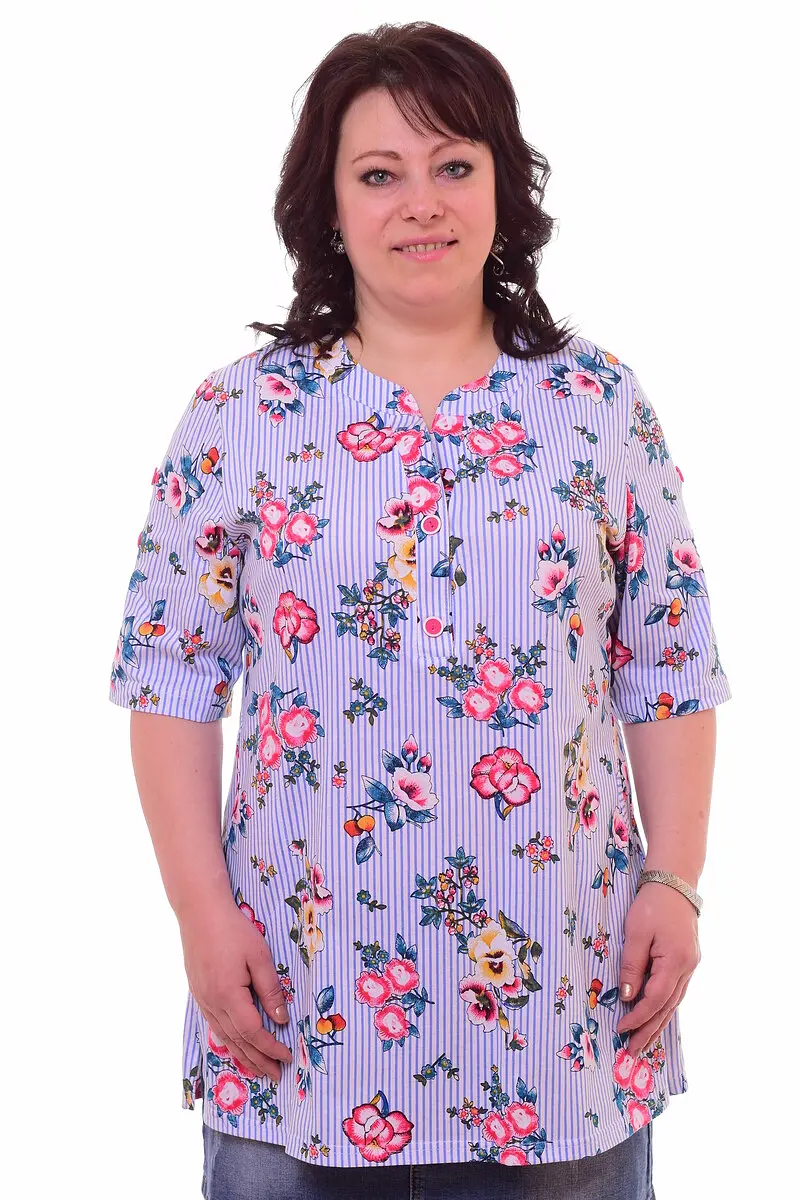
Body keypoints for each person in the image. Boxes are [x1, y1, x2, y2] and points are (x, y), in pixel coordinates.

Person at [107, 20, 732, 1200]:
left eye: (452, 165)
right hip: (299, 1011)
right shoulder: (240, 416)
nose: (420, 204)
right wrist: (200, 916)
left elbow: (666, 664)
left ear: (502, 183)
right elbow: (170, 679)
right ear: (327, 204)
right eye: (378, 173)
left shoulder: (595, 406)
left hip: (559, 1016)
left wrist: (676, 881)